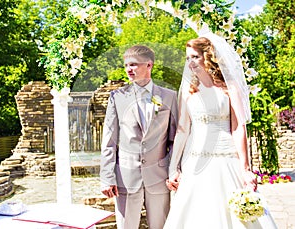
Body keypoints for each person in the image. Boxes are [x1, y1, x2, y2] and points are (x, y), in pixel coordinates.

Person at [164, 33, 278, 228]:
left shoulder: (229, 87)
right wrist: (173, 168)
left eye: (195, 57)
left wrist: (245, 169)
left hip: (227, 158)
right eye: (187, 58)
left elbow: (238, 127)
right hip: (195, 160)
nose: (190, 62)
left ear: (207, 56)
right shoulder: (188, 91)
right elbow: (182, 130)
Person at [100, 45, 178, 229]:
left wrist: (173, 170)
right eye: (126, 65)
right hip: (126, 177)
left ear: (149, 65)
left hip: (159, 177)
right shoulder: (117, 97)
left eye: (134, 64)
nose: (128, 69)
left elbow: (175, 140)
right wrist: (107, 177)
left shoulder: (170, 97)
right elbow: (109, 140)